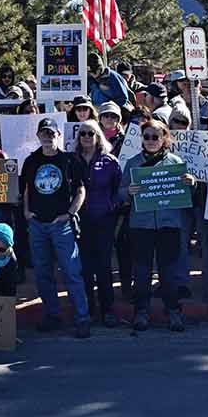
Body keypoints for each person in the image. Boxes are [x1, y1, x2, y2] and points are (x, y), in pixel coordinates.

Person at [21, 117, 93, 338]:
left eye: (51, 133)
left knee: (72, 272)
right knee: (43, 274)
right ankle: (52, 315)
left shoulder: (69, 160)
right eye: (44, 133)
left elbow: (81, 190)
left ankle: (82, 318)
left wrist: (70, 214)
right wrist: (26, 212)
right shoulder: (31, 160)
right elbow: (25, 188)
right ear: (38, 135)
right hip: (37, 224)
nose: (47, 137)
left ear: (58, 135)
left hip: (61, 225)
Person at [121, 119, 195, 333]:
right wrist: (128, 192)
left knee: (168, 272)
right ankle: (141, 312)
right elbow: (120, 192)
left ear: (164, 138)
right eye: (147, 137)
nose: (151, 141)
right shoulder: (133, 163)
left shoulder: (175, 161)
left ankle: (173, 311)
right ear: (141, 139)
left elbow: (186, 195)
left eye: (156, 137)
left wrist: (191, 183)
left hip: (169, 226)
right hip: (141, 226)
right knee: (142, 272)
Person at [72, 121, 124, 327]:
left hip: (104, 219)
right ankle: (88, 308)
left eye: (90, 133)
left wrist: (112, 206)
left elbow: (119, 189)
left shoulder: (110, 161)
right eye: (83, 133)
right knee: (84, 267)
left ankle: (108, 309)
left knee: (103, 266)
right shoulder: (72, 160)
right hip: (79, 220)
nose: (86, 137)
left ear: (97, 136)